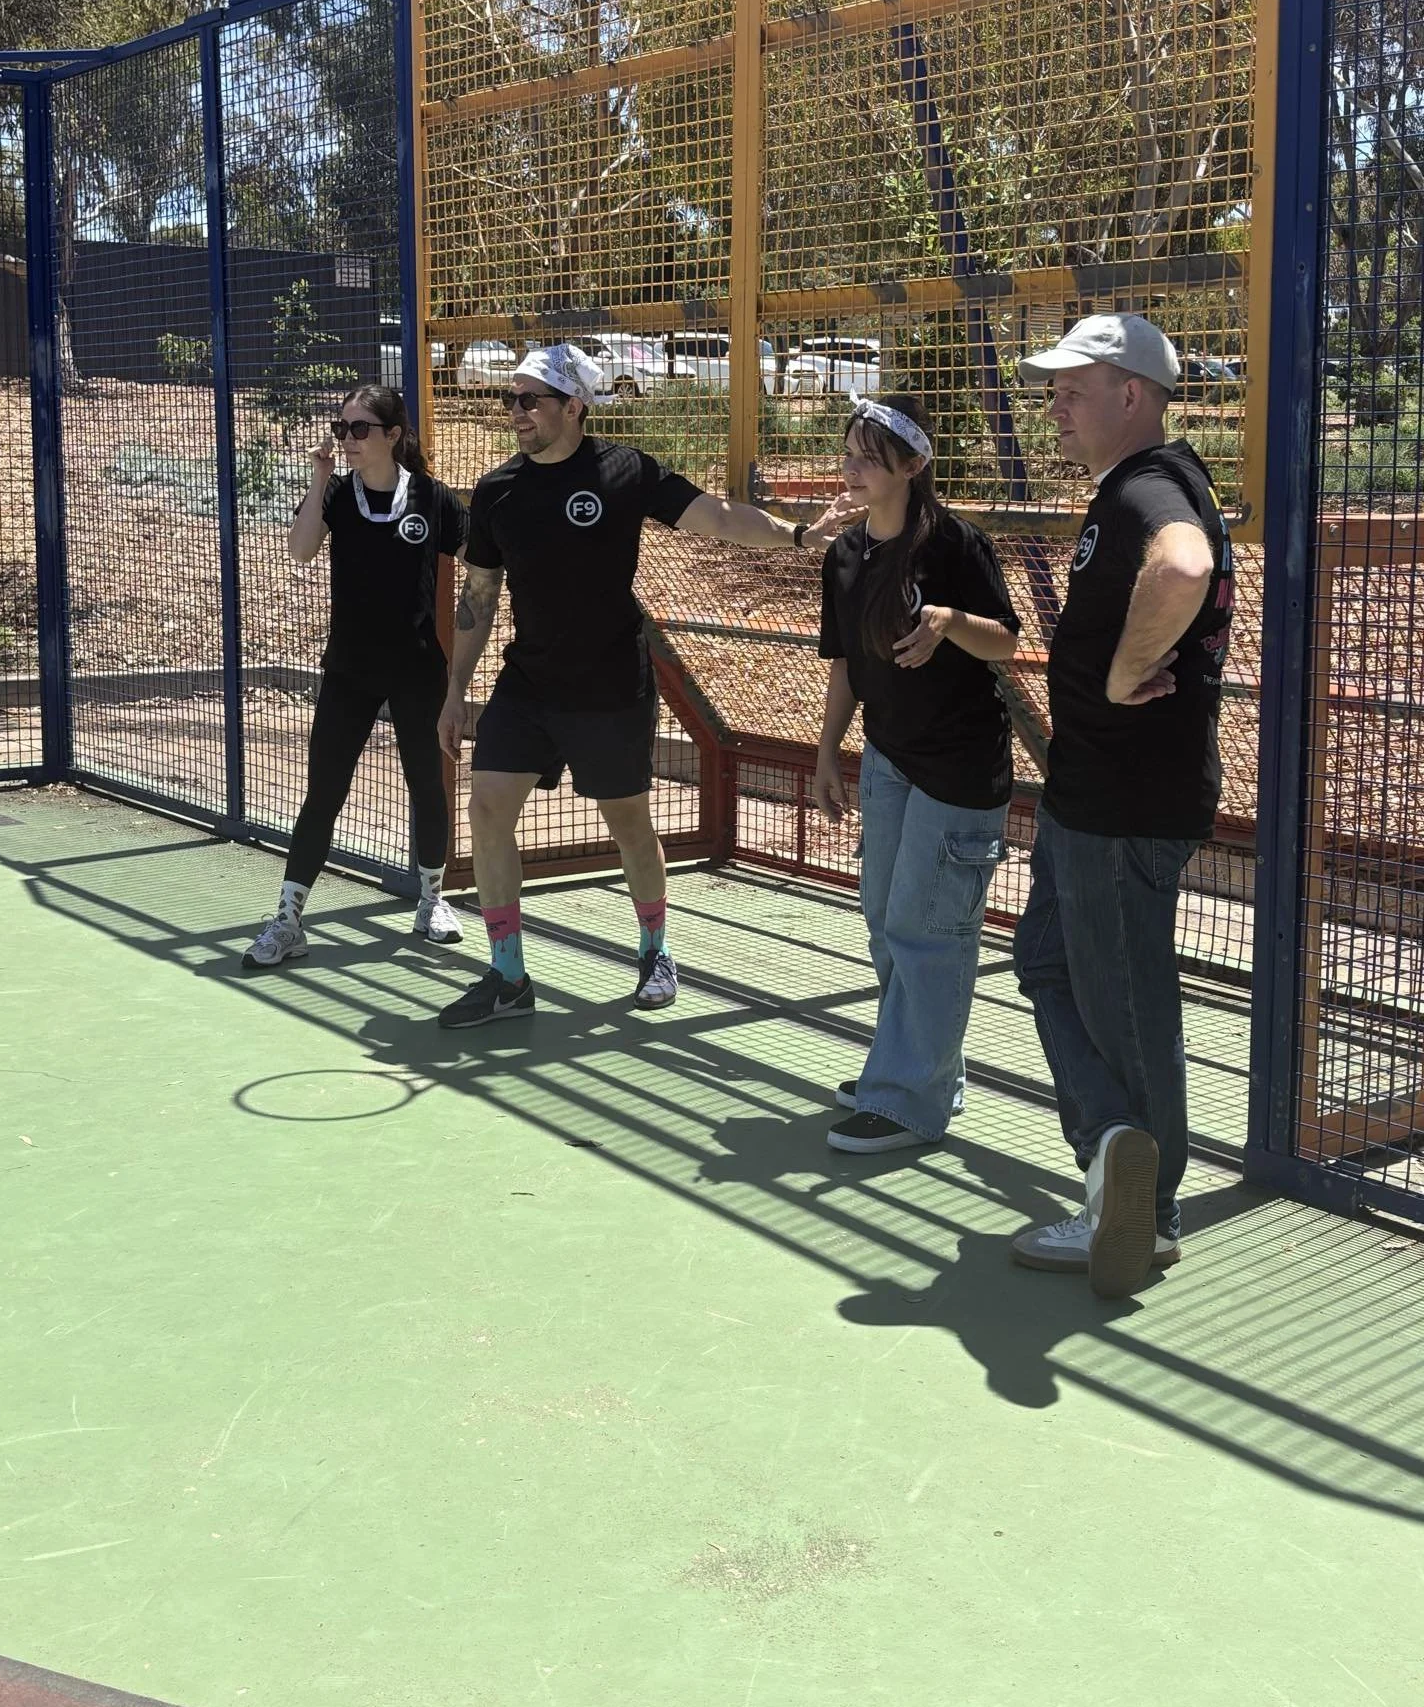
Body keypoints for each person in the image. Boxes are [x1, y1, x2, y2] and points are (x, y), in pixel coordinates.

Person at [435, 341, 856, 1028]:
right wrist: (456, 687)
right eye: (510, 399)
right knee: (486, 810)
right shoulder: (497, 492)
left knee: (629, 824)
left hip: (610, 685)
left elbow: (720, 517)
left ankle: (656, 950)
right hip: (528, 685)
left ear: (573, 407)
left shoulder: (624, 470)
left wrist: (803, 537)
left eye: (529, 400)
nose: (515, 412)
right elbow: (478, 598)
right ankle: (508, 977)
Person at [1007, 313, 1234, 1297]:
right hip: (1088, 795)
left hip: (1123, 805)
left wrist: (1126, 668)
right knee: (1047, 961)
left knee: (1127, 999)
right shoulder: (1133, 488)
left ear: (1131, 395)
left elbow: (1185, 567)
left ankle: (1146, 1210)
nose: (1054, 404)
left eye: (1074, 387)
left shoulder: (1152, 486)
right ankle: (1115, 1151)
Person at [813, 394, 1019, 1153]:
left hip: (958, 769)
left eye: (869, 456)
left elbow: (1004, 641)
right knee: (884, 921)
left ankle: (907, 1100)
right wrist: (827, 750)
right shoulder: (845, 554)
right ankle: (925, 1069)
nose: (853, 467)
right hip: (887, 758)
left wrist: (949, 624)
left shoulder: (955, 545)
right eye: (849, 453)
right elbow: (845, 664)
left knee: (926, 931)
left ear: (913, 465)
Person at [243, 383, 469, 967]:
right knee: (325, 790)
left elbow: (480, 554)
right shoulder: (338, 493)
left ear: (393, 435)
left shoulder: (432, 498)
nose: (346, 438)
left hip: (418, 669)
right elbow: (299, 550)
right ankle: (289, 920)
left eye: (360, 428)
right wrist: (318, 478)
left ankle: (432, 901)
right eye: (342, 427)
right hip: (350, 668)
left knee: (427, 782)